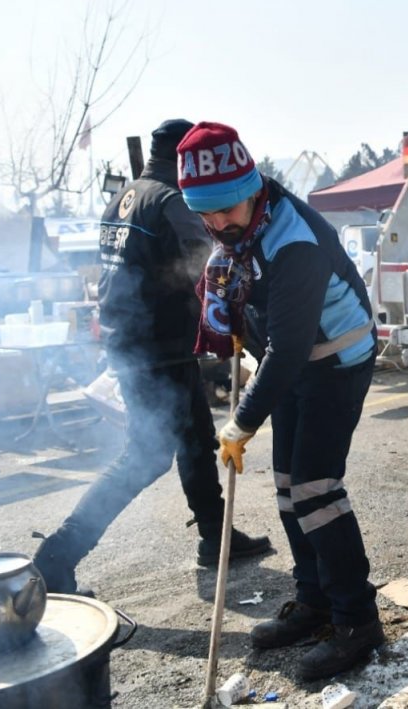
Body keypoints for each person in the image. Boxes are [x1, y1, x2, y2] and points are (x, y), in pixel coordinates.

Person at [176, 121, 381, 680]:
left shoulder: (295, 241)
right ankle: (314, 601)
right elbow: (274, 333)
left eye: (227, 210)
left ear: (252, 188)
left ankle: (357, 621)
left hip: (336, 361)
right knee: (289, 491)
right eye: (207, 214)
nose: (219, 224)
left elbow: (289, 351)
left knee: (317, 489)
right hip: (293, 363)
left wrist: (240, 423)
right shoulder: (242, 234)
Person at [34, 119, 271, 595]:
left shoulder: (122, 197)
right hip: (156, 345)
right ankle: (55, 557)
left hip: (138, 339)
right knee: (145, 456)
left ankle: (214, 536)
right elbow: (205, 263)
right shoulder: (167, 199)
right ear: (181, 160)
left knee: (195, 437)